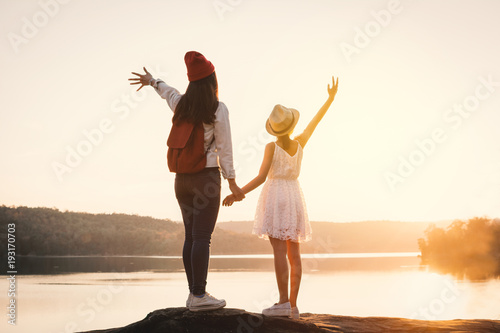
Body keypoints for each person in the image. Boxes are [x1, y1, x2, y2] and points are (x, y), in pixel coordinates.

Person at [129, 51, 245, 312]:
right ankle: (199, 296)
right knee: (202, 236)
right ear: (212, 80)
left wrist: (152, 80)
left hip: (181, 181)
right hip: (205, 179)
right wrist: (233, 182)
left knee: (191, 237)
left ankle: (194, 295)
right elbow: (225, 148)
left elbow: (167, 92)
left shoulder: (182, 104)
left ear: (192, 83)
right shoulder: (217, 109)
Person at [223, 76, 339, 319]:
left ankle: (282, 302)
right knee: (294, 254)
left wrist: (238, 193)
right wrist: (330, 99)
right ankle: (293, 307)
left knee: (278, 250)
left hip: (276, 196)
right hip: (294, 195)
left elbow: (261, 177)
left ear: (275, 128)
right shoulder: (300, 143)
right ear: (291, 126)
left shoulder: (270, 147)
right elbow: (315, 122)